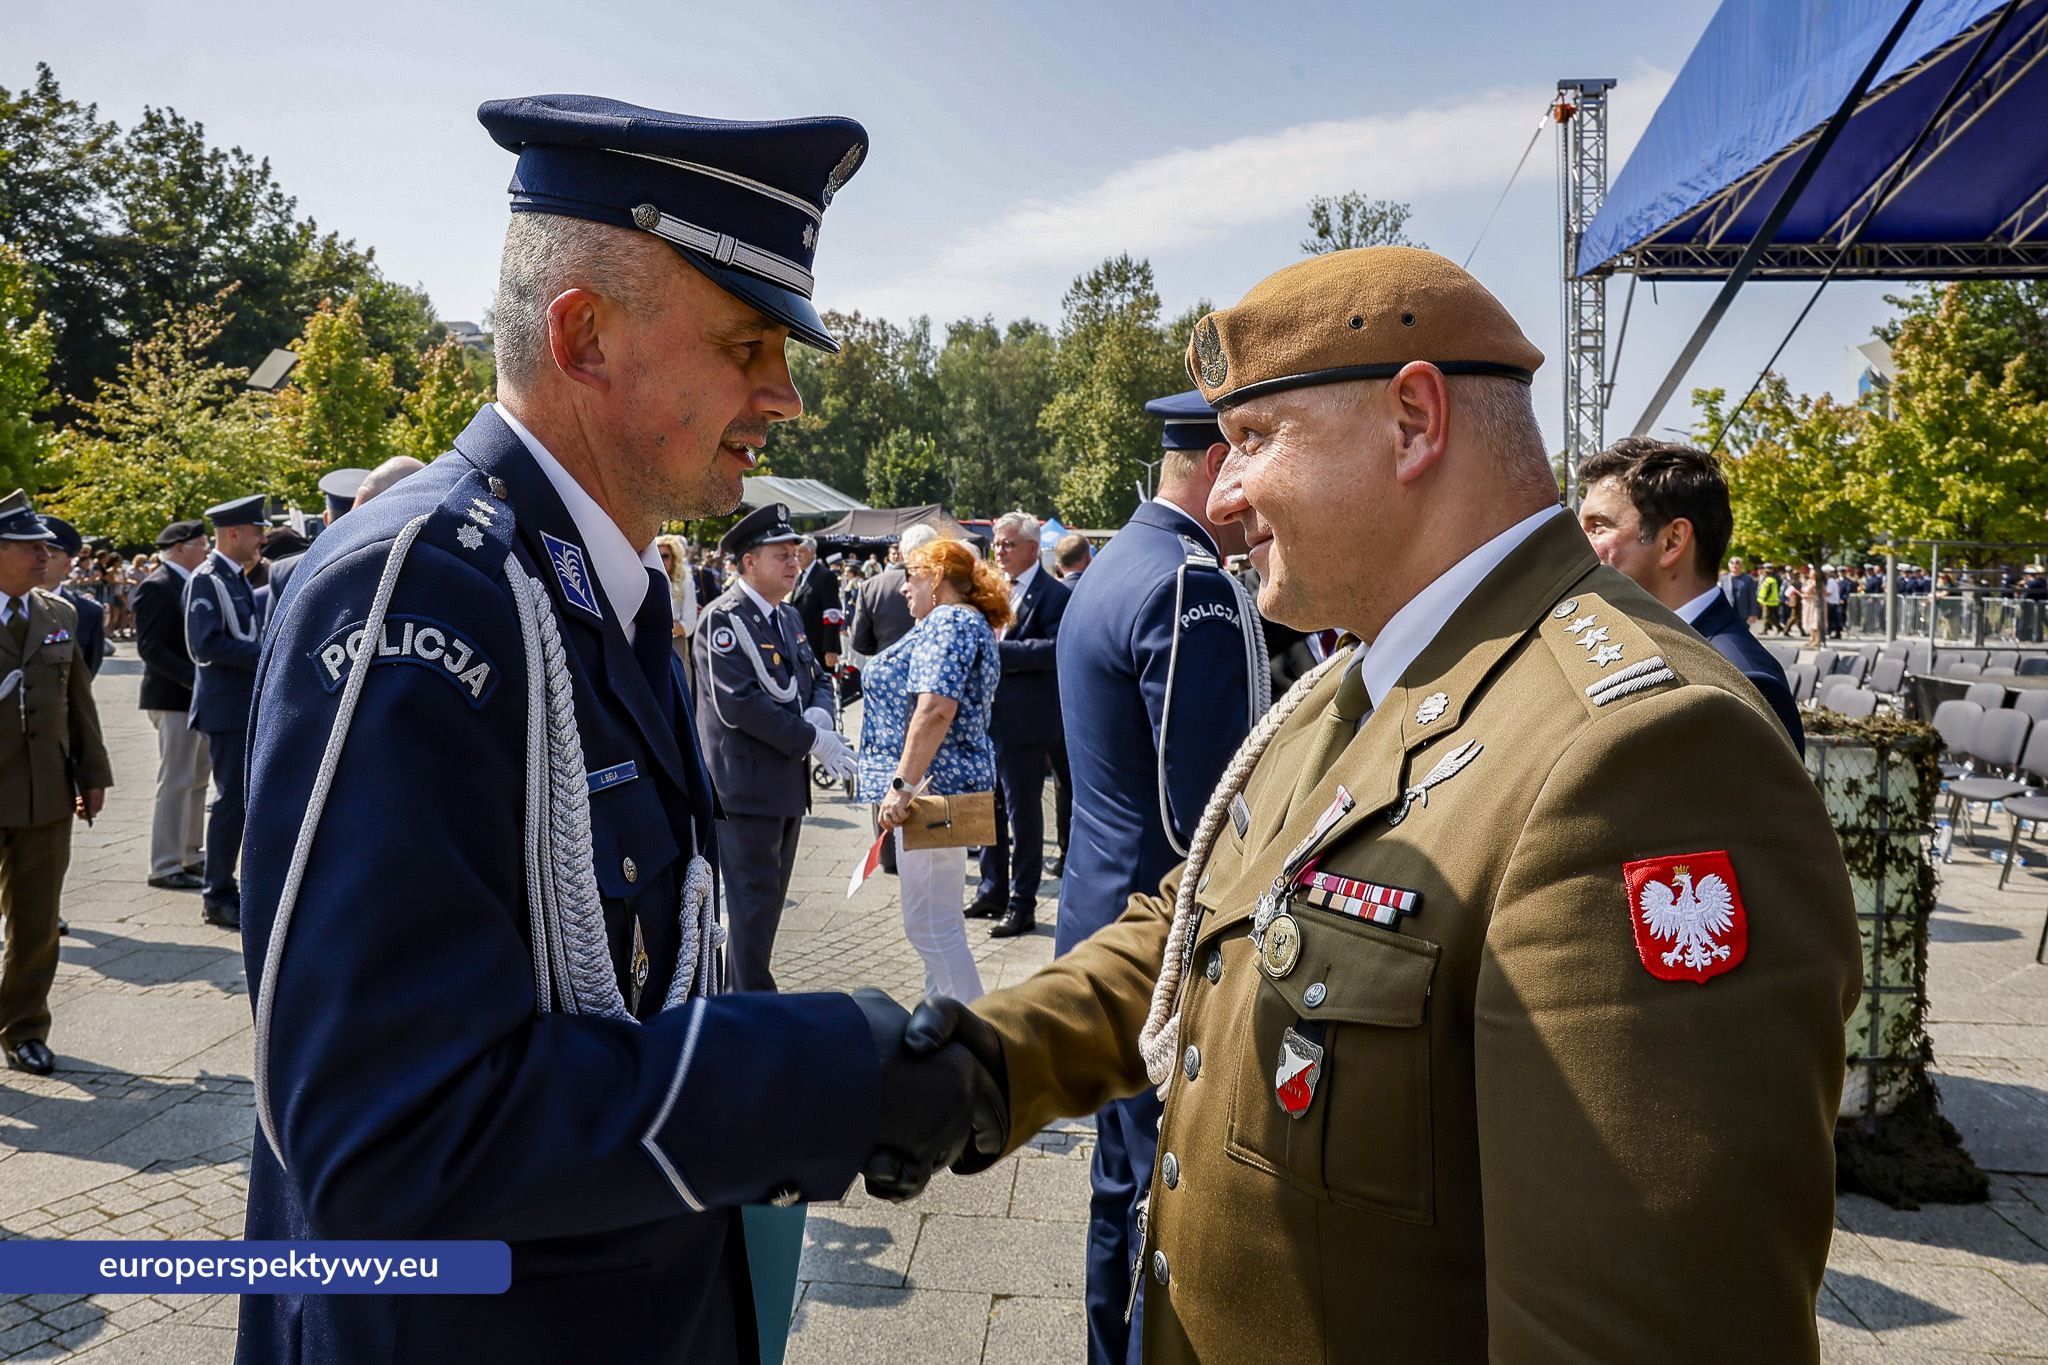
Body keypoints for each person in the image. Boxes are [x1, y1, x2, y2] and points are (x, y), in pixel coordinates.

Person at [900, 246, 1860, 1361]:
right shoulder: (1366, 671)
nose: (1222, 493)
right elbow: (1201, 926)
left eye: (1254, 440)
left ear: (1412, 420)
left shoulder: (1642, 754)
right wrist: (981, 1061)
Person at [236, 96, 1001, 1365]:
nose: (787, 396)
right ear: (582, 336)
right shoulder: (428, 587)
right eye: (750, 343)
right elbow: (386, 1137)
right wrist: (823, 1074)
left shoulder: (588, 583)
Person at [1059, 384, 1270, 1365]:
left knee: (1122, 1185)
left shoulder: (1117, 563)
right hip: (1165, 941)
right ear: (1222, 465)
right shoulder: (1190, 581)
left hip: (1103, 921)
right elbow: (1209, 812)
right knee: (1164, 1202)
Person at [694, 503, 855, 992]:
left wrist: (821, 712)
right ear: (749, 563)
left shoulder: (785, 616)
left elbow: (814, 677)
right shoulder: (723, 620)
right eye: (781, 554)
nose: (793, 562)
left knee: (763, 913)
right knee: (751, 913)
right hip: (745, 790)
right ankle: (751, 1014)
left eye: (794, 553)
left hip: (782, 786)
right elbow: (738, 704)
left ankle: (744, 1006)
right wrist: (811, 738)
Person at [1578, 439, 1804, 753]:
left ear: (1672, 541)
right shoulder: (1621, 645)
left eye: (1598, 526)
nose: (1578, 544)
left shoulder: (1740, 679)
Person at [860, 536, 1007, 1000]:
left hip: (932, 793)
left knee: (930, 927)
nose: (904, 587)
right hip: (941, 789)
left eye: (912, 576)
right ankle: (944, 1026)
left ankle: (981, 1037)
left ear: (938, 577)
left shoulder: (949, 621)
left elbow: (935, 710)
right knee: (939, 925)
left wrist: (901, 788)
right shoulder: (959, 620)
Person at [0, 491, 111, 1076]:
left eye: (46, 546)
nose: (46, 555)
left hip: (44, 790)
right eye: (30, 546)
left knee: (37, 921)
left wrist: (92, 774)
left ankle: (23, 1028)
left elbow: (78, 702)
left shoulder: (58, 613)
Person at [972, 511, 1069, 938]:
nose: (1000, 551)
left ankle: (1022, 903)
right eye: (997, 543)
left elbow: (1055, 648)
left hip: (1027, 723)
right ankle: (992, 888)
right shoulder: (991, 589)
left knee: (1022, 815)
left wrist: (999, 653)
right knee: (987, 808)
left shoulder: (1053, 594)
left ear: (1034, 548)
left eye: (1009, 544)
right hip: (985, 720)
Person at [185, 492, 265, 931]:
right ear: (232, 533)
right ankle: (217, 893)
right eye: (255, 532)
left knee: (239, 802)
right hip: (224, 707)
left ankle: (229, 887)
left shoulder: (233, 575)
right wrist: (265, 654)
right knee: (230, 803)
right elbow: (205, 644)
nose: (262, 539)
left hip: (238, 705)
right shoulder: (209, 577)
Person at [133, 520, 213, 891]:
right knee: (176, 780)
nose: (207, 548)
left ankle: (189, 852)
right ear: (179, 548)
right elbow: (150, 648)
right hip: (174, 696)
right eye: (201, 543)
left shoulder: (188, 581)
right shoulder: (157, 585)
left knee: (197, 780)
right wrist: (194, 678)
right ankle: (164, 864)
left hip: (192, 697)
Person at [39, 516, 110, 678]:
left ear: (67, 564)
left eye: (50, 554)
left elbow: (86, 675)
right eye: (32, 550)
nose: (40, 558)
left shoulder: (88, 612)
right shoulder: (7, 605)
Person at [850, 525, 931, 658]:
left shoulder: (871, 586)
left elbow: (859, 642)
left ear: (900, 555)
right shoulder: (942, 585)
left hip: (885, 666)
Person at [789, 534, 843, 669]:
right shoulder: (799, 576)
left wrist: (831, 650)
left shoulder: (825, 576)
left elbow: (832, 615)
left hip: (818, 647)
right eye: (795, 552)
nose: (797, 555)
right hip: (800, 645)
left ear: (813, 552)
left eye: (801, 551)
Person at [655, 532, 700, 691]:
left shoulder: (686, 584)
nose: (660, 560)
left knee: (676, 691)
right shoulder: (645, 579)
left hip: (675, 645)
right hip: (648, 643)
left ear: (674, 558)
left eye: (665, 556)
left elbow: (688, 626)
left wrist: (655, 625)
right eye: (657, 555)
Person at [1719, 554, 1757, 623]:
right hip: (1728, 613)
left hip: (1743, 613)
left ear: (1741, 566)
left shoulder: (1748, 579)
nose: (1734, 565)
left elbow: (1752, 596)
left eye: (1737, 563)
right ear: (1729, 566)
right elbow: (1720, 596)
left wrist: (1753, 613)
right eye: (1732, 563)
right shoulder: (1724, 579)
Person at [1757, 562, 1783, 635]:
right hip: (1772, 601)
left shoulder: (1768, 580)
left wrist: (1763, 600)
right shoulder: (1773, 579)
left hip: (1768, 601)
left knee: (1766, 616)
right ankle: (1766, 629)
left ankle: (1778, 627)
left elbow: (1768, 591)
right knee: (1768, 616)